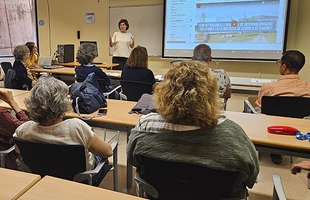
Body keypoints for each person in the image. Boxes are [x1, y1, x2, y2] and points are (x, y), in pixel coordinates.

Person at [127, 61, 259, 196]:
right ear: (211, 94)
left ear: (164, 93)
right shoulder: (235, 136)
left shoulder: (145, 126)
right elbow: (251, 178)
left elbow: (133, 159)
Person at [14, 76, 112, 170]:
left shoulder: (23, 130)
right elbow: (107, 152)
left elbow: (18, 150)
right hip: (79, 179)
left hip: (42, 176)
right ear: (62, 103)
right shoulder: (76, 127)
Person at [193, 43, 231, 110]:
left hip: (192, 116)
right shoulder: (222, 74)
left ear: (193, 58)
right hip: (217, 116)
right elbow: (228, 95)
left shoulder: (185, 75)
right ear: (210, 59)